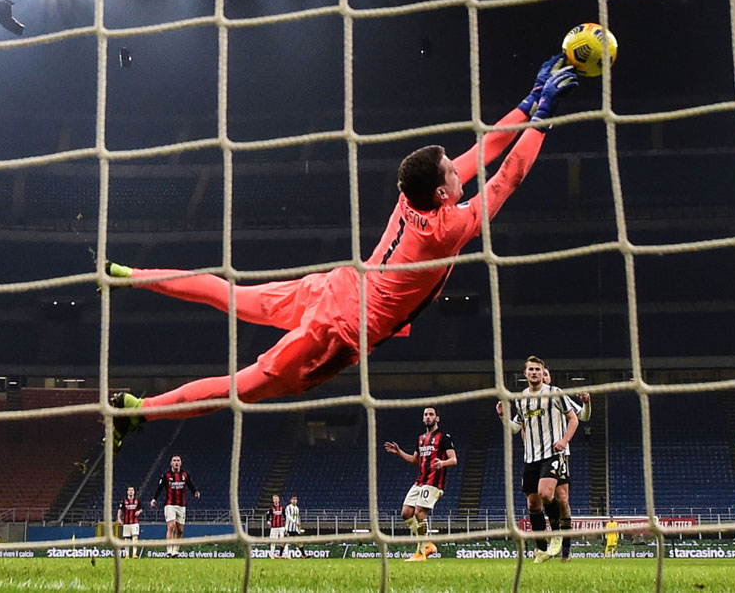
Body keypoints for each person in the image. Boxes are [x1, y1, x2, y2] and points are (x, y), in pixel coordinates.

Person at [104, 56, 579, 450]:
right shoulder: (447, 227)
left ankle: (129, 274)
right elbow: (506, 176)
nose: (459, 170)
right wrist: (542, 123)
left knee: (233, 296)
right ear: (440, 192)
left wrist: (528, 104)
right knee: (243, 386)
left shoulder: (410, 196)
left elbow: (483, 150)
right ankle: (140, 411)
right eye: (451, 173)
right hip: (341, 329)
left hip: (338, 285)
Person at [496, 356, 582, 563]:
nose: (534, 372)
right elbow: (515, 428)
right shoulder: (521, 399)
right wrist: (502, 416)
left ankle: (559, 538)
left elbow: (574, 419)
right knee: (533, 504)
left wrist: (564, 440)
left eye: (538, 369)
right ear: (525, 374)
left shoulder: (555, 393)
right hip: (531, 457)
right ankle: (541, 549)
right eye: (531, 369)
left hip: (553, 454)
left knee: (549, 494)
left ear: (543, 373)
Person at [384, 406, 457, 561]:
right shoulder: (421, 439)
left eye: (431, 414)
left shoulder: (444, 437)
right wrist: (399, 452)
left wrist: (442, 463)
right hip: (420, 481)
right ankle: (428, 544)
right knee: (406, 513)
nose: (428, 417)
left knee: (419, 512)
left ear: (437, 418)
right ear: (423, 419)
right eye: (426, 415)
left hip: (434, 482)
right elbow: (414, 460)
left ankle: (421, 553)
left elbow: (454, 460)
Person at [542, 366, 590, 562]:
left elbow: (583, 417)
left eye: (545, 373)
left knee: (562, 500)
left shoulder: (559, 396)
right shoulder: (527, 400)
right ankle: (551, 537)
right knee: (542, 497)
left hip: (559, 454)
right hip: (536, 457)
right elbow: (519, 426)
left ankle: (565, 551)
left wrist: (587, 404)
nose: (542, 376)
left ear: (550, 378)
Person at [150, 455, 200, 557]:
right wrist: (154, 498)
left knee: (180, 530)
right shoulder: (166, 475)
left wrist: (195, 492)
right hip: (169, 504)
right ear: (171, 463)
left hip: (181, 505)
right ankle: (169, 550)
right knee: (171, 526)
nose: (176, 462)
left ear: (181, 463)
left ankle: (175, 552)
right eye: (174, 460)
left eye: (178, 460)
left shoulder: (185, 475)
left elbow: (190, 485)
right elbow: (160, 487)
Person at [117, 486, 143, 559]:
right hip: (126, 522)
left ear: (134, 492)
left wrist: (139, 511)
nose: (131, 492)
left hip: (135, 522)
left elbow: (141, 509)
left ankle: (134, 554)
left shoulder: (137, 501)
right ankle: (127, 554)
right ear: (127, 492)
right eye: (129, 490)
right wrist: (119, 518)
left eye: (132, 490)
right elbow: (120, 510)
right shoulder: (124, 501)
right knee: (127, 538)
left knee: (135, 537)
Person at [267, 494, 285, 559]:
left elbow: (285, 515)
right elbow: (267, 515)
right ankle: (272, 556)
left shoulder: (282, 508)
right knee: (273, 541)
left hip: (281, 527)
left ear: (279, 500)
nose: (276, 500)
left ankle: (286, 555)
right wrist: (268, 521)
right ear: (273, 500)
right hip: (274, 527)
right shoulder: (271, 508)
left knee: (284, 541)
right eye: (274, 499)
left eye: (276, 499)